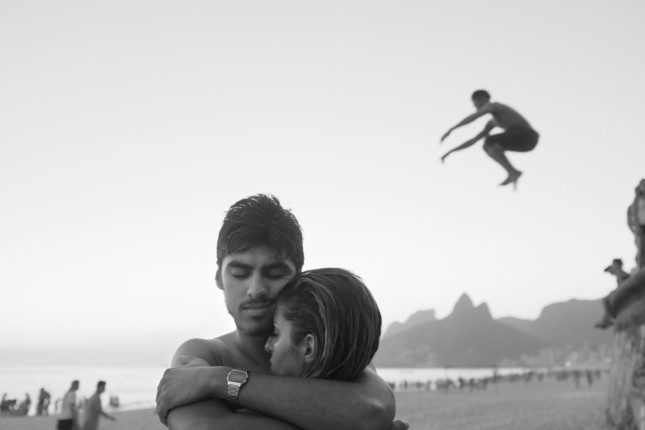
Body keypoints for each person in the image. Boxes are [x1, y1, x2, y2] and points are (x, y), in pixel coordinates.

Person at [155, 194, 406, 430]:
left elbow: (373, 409)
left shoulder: (332, 346)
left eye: (274, 273)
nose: (256, 289)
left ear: (298, 278)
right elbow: (202, 427)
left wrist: (219, 380)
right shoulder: (203, 355)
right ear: (218, 278)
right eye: (240, 272)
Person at [440, 90, 539, 190]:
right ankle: (512, 172)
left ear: (482, 99)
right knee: (488, 145)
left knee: (489, 142)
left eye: (475, 103)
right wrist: (451, 151)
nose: (475, 107)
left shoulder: (494, 106)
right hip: (526, 144)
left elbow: (475, 116)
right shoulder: (492, 122)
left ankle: (512, 172)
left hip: (528, 135)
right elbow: (473, 140)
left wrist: (452, 129)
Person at [628, 179, 645, 269]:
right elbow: (632, 217)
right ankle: (640, 268)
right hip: (641, 227)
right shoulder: (637, 201)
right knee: (642, 249)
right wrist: (636, 228)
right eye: (642, 185)